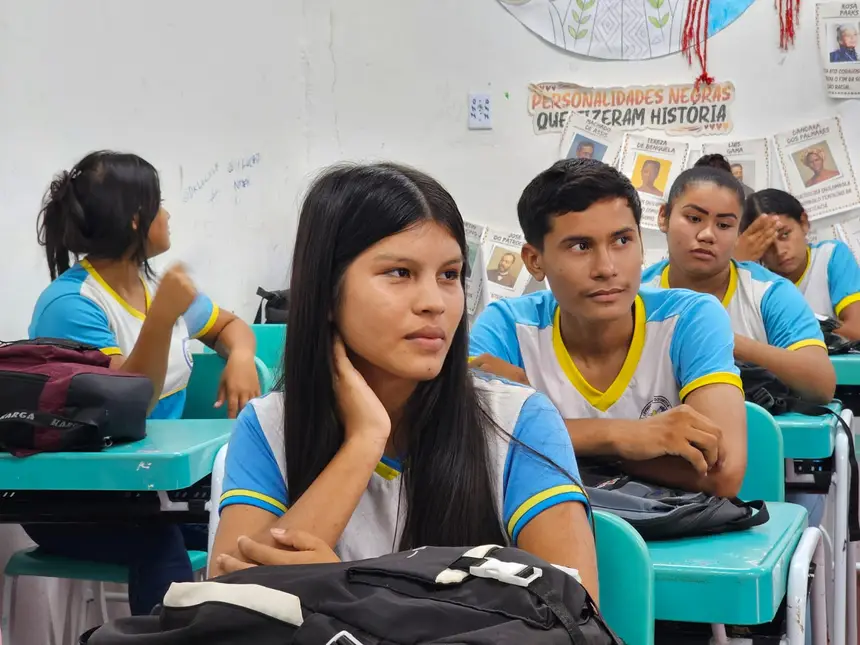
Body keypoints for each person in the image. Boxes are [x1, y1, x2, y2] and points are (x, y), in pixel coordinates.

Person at [211, 163, 598, 598]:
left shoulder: (518, 421)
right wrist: (364, 441)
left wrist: (351, 595)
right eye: (399, 272)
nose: (434, 303)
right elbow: (227, 608)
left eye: (449, 275)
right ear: (326, 292)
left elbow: (573, 614)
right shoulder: (270, 427)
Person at [25, 150, 261, 615]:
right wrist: (163, 317)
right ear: (135, 219)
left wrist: (241, 357)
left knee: (251, 529)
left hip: (149, 491)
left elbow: (231, 327)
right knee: (159, 544)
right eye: (159, 204)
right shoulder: (71, 304)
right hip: (70, 501)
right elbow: (125, 405)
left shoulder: (156, 288)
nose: (168, 215)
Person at [469, 159, 747, 498]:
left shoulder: (691, 318)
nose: (606, 267)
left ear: (641, 243)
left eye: (622, 240)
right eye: (580, 246)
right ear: (534, 260)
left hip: (672, 530)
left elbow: (722, 474)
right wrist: (624, 436)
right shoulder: (506, 327)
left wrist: (534, 433)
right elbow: (463, 444)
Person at [641, 166, 835, 405]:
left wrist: (722, 339)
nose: (707, 235)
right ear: (663, 217)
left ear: (738, 232)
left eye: (724, 225)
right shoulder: (637, 294)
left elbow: (821, 385)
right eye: (694, 219)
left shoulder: (768, 292)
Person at [744, 188, 860, 338]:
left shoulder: (830, 255)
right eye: (767, 244)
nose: (780, 251)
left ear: (804, 223)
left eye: (785, 234)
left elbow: (856, 330)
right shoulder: (754, 282)